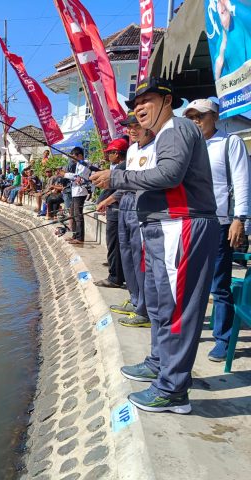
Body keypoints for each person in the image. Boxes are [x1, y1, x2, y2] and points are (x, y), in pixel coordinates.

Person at [91, 76, 219, 414]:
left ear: (167, 100)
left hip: (183, 225)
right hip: (166, 227)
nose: (139, 109)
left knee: (177, 310)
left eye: (146, 101)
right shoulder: (164, 135)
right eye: (135, 104)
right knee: (163, 305)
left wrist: (116, 177)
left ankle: (173, 388)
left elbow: (169, 176)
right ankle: (159, 363)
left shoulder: (176, 130)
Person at [183, 98, 250, 361]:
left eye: (200, 116)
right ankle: (190, 329)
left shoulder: (229, 142)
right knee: (188, 281)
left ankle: (222, 338)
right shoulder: (190, 146)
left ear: (215, 116)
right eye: (191, 117)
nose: (196, 121)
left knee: (218, 284)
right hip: (190, 222)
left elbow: (243, 181)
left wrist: (239, 218)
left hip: (219, 223)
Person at [102, 110, 157, 328]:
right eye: (129, 126)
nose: (131, 130)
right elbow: (125, 181)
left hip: (141, 204)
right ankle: (135, 300)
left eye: (136, 126)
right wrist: (111, 197)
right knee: (127, 254)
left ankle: (144, 309)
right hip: (125, 203)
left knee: (141, 257)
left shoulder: (156, 147)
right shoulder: (133, 149)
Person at [94, 138, 128, 289]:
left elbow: (116, 190)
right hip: (115, 209)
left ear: (117, 153)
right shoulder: (119, 167)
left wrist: (104, 202)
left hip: (116, 211)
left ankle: (115, 277)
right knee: (117, 245)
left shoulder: (121, 168)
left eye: (109, 153)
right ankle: (119, 275)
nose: (107, 156)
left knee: (114, 245)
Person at [64, 147, 91, 245]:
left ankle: (80, 238)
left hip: (80, 192)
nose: (72, 159)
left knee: (78, 215)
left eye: (74, 157)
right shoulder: (78, 164)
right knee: (73, 214)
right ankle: (75, 235)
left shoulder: (85, 164)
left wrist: (65, 174)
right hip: (75, 192)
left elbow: (79, 178)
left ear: (79, 155)